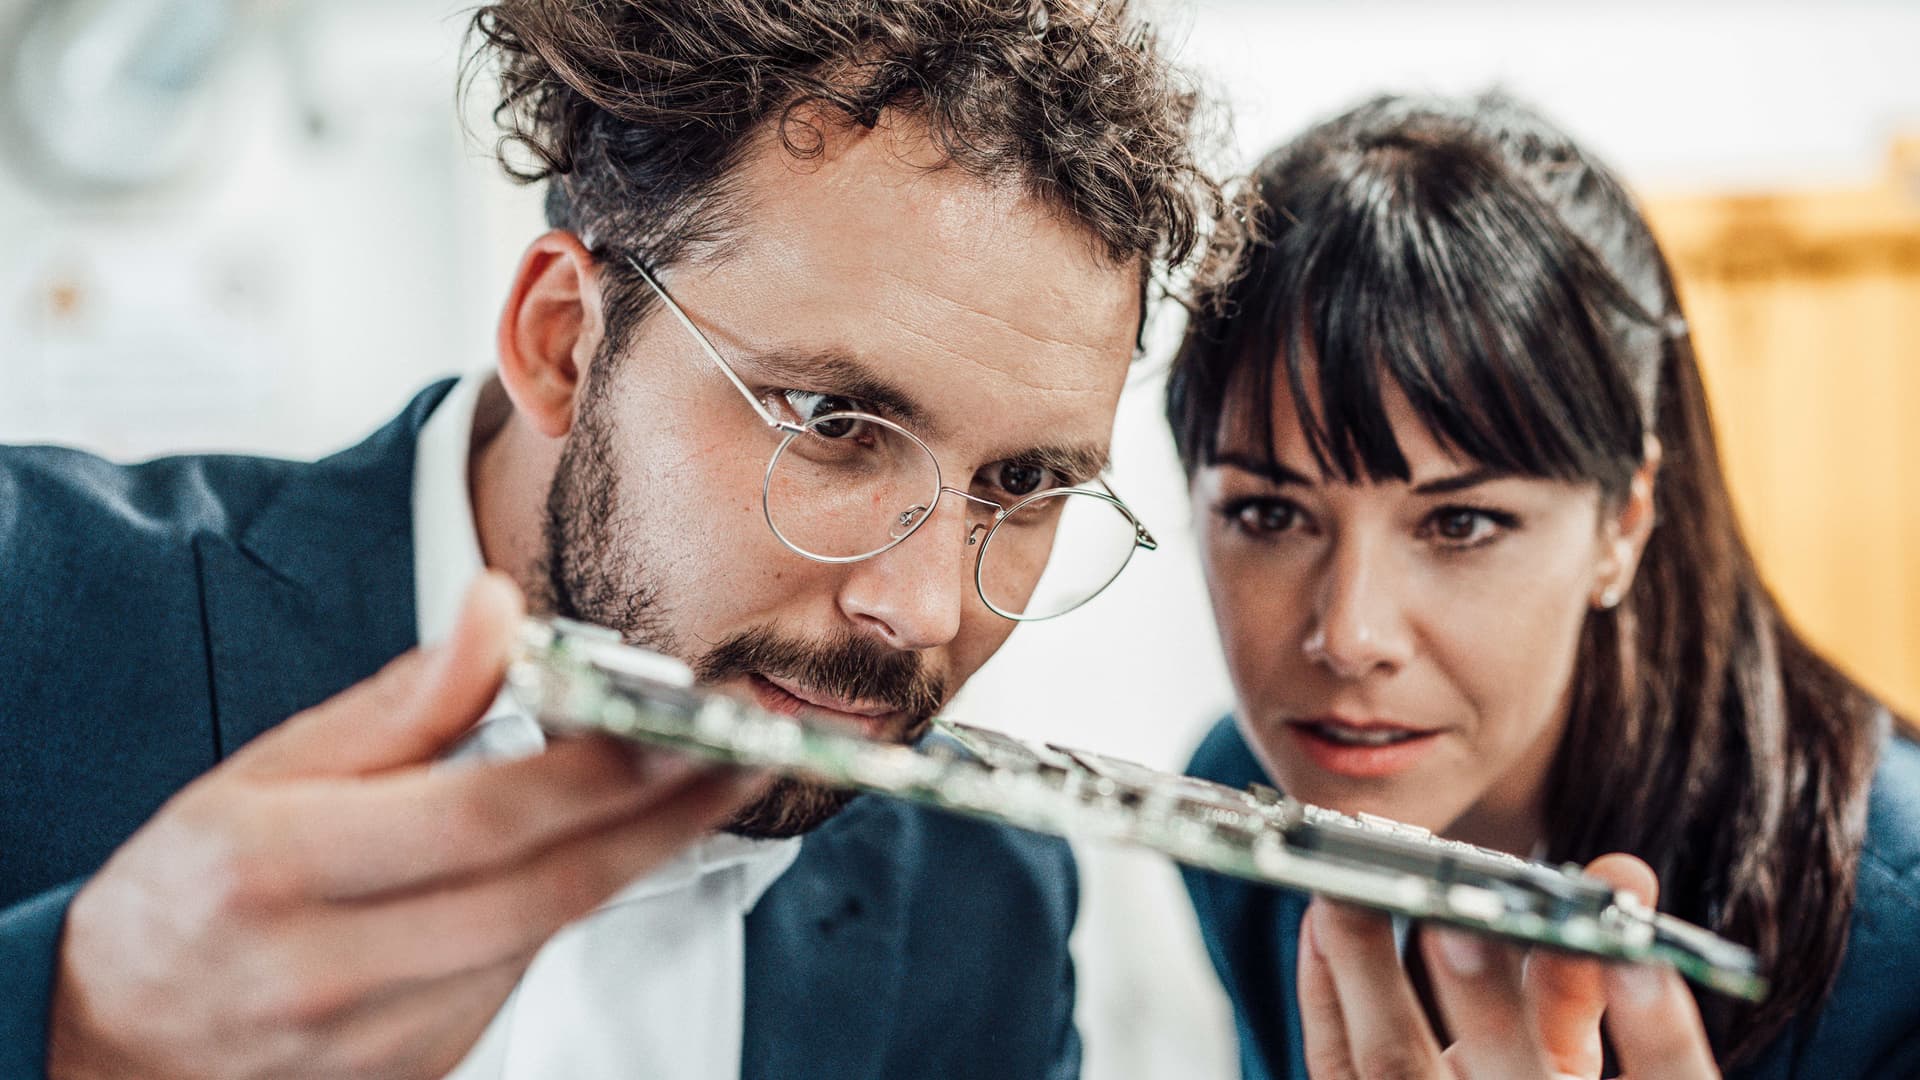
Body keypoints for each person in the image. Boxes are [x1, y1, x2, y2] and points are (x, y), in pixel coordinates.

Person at [0, 2, 1230, 1076]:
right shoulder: (33, 606)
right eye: (832, 421)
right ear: (559, 343)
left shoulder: (984, 899)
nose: (921, 611)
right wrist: (76, 1029)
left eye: (1022, 482)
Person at [1164, 93, 1920, 1079]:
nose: (1350, 636)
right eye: (1268, 515)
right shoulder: (1240, 806)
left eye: (1461, 523)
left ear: (1624, 522)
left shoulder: (1895, 943)